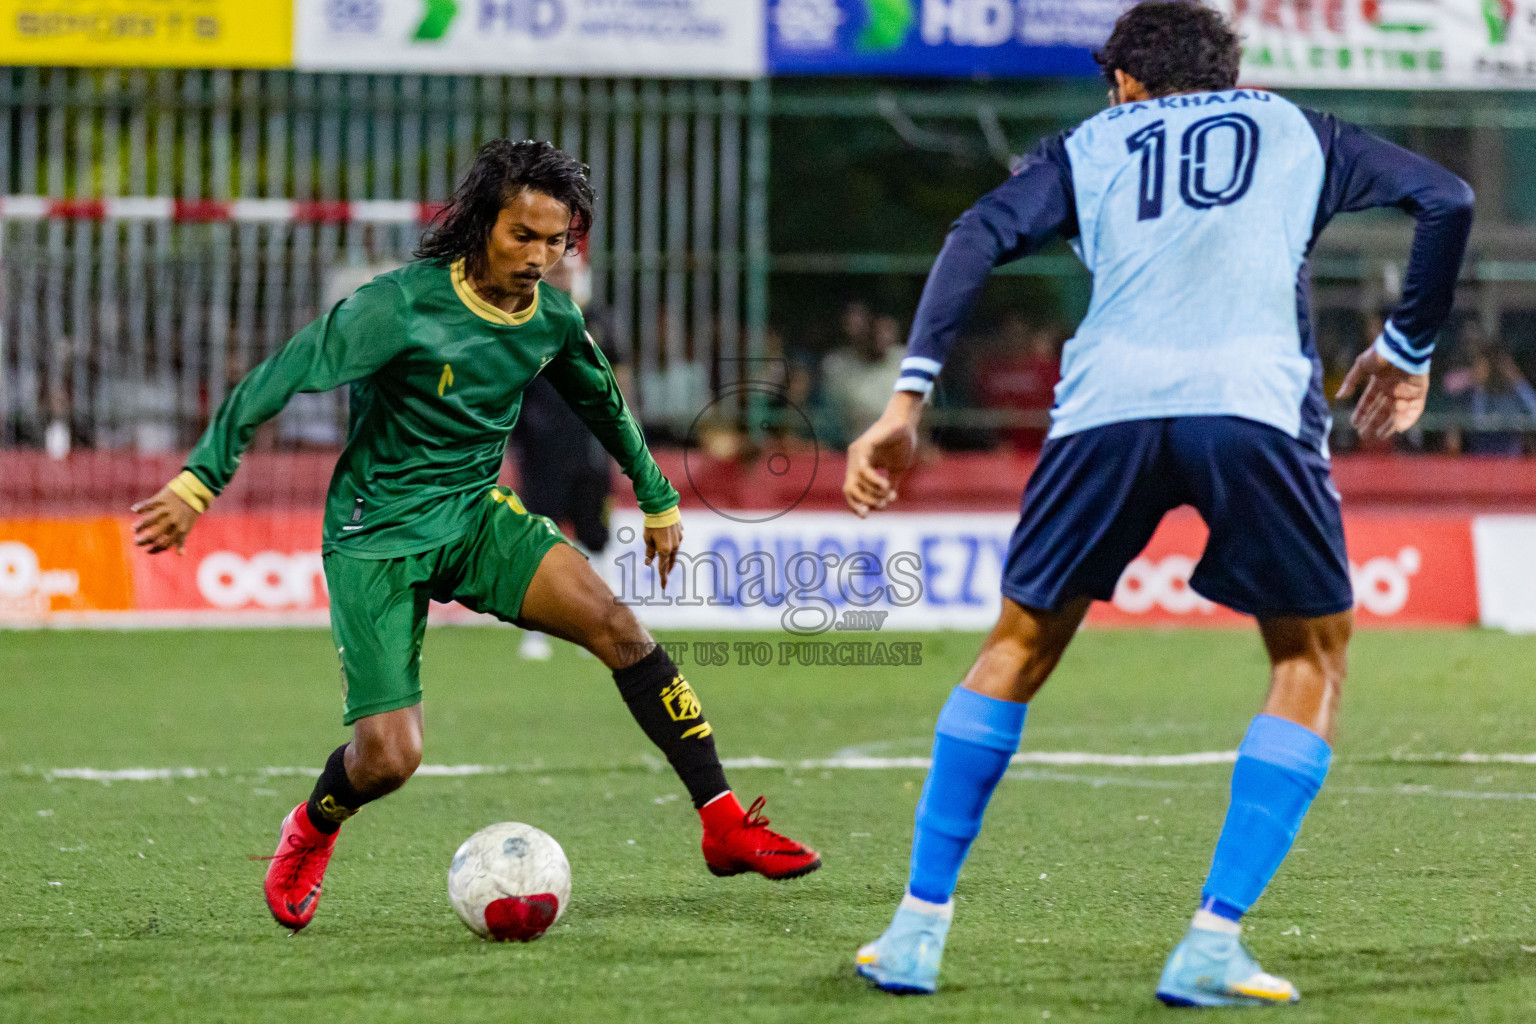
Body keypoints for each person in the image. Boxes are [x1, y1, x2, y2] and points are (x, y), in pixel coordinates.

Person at [843, 1, 1471, 1006]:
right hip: (1253, 409)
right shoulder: (1301, 129)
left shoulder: (1089, 142)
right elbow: (1447, 198)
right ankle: (1212, 939)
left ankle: (916, 928)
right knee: (1311, 653)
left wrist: (907, 399)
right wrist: (1405, 351)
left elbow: (975, 235)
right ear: (1225, 74)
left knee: (1016, 646)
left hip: (1106, 413)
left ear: (1126, 81)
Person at [130, 140, 820, 933]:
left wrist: (659, 496)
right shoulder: (399, 306)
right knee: (390, 759)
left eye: (555, 241)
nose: (538, 257)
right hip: (376, 535)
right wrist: (200, 480)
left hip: (474, 517)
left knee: (621, 629)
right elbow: (277, 377)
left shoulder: (552, 318)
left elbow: (603, 404)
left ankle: (723, 821)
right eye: (522, 235)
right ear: (480, 223)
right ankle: (312, 826)